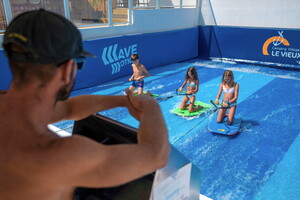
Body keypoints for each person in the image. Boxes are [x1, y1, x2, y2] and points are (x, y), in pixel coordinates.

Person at [0, 9, 169, 200]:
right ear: (66, 70)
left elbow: (70, 108)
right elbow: (156, 155)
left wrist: (123, 101)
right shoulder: (58, 155)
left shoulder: (20, 109)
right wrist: (150, 106)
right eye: (78, 64)